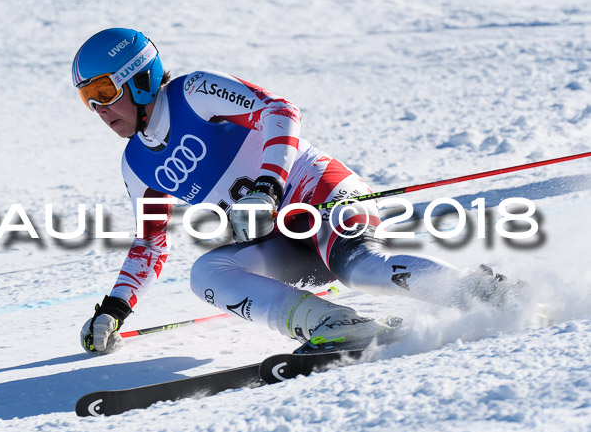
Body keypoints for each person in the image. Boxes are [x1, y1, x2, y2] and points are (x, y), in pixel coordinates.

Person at [73, 28, 518, 355]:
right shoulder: (135, 165)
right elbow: (150, 243)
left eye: (104, 91)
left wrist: (268, 186)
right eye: (86, 98)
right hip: (280, 239)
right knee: (206, 274)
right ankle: (334, 325)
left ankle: (479, 291)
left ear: (140, 77)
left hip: (321, 194)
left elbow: (278, 109)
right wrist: (114, 308)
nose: (97, 108)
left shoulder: (193, 92)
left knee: (360, 268)